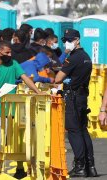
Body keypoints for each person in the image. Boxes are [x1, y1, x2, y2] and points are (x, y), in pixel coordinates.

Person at [0, 41, 44, 179]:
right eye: (7, 52)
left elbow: (25, 78)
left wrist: (38, 92)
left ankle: (18, 168)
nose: (10, 55)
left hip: (13, 109)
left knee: (16, 140)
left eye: (10, 52)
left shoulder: (13, 64)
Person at [55, 29, 97, 177]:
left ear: (77, 40)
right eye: (65, 40)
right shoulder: (85, 56)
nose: (66, 43)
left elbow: (58, 78)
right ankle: (90, 166)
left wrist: (62, 66)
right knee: (82, 130)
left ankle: (80, 166)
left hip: (72, 96)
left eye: (69, 40)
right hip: (82, 95)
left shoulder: (72, 57)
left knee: (73, 131)